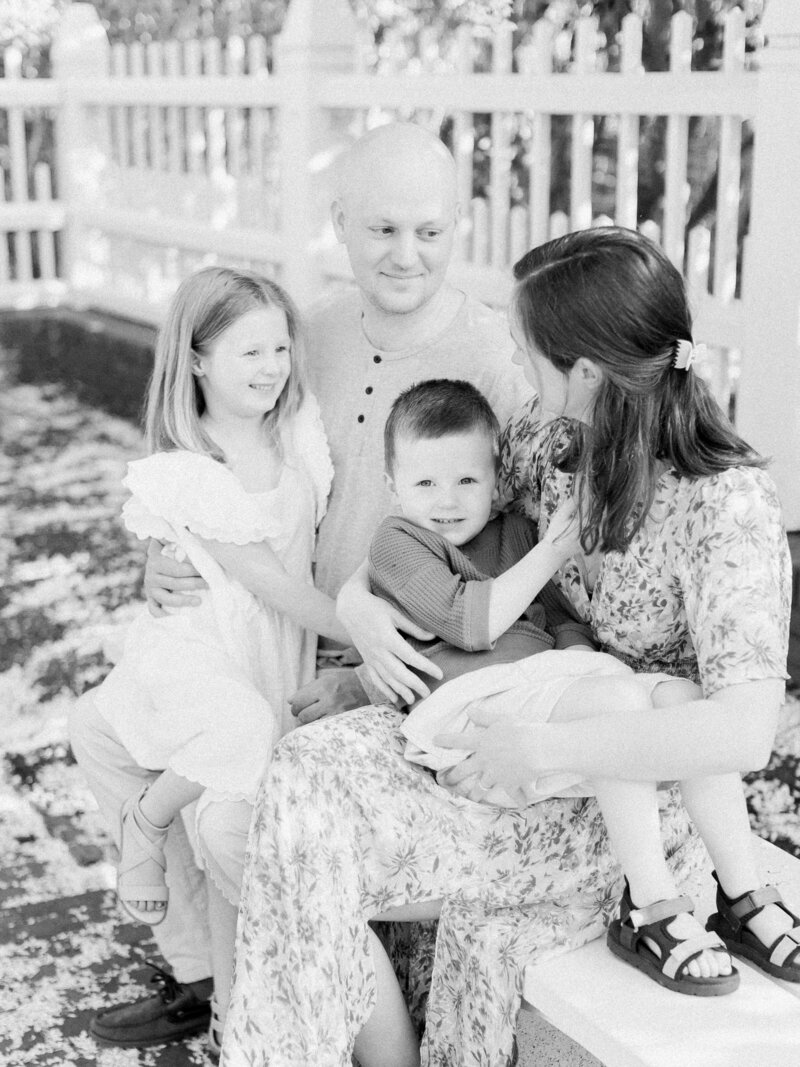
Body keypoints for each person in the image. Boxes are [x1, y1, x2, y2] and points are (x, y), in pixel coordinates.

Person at [221, 227, 795, 1067]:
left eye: (530, 355)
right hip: (514, 712)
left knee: (310, 832)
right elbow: (429, 535)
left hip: (627, 789)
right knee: (299, 778)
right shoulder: (550, 440)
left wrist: (543, 745)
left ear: (588, 373)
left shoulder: (726, 504)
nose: (520, 372)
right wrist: (362, 609)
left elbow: (743, 732)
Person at [69, 120, 531, 1050]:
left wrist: (367, 671)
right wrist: (167, 554)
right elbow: (226, 457)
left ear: (460, 225)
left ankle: (270, 1008)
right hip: (281, 627)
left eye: (429, 231)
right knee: (117, 735)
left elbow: (503, 562)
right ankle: (209, 975)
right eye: (382, 229)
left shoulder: (493, 358)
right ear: (342, 224)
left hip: (399, 661)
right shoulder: (305, 334)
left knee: (228, 821)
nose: (406, 254)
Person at [70, 266, 346, 1053]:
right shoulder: (194, 465)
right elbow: (269, 584)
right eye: (246, 352)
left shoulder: (296, 432)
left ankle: (230, 1007)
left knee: (228, 801)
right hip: (206, 657)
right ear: (194, 360)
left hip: (266, 659)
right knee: (215, 751)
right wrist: (380, 638)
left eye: (279, 348)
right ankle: (152, 838)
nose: (270, 367)